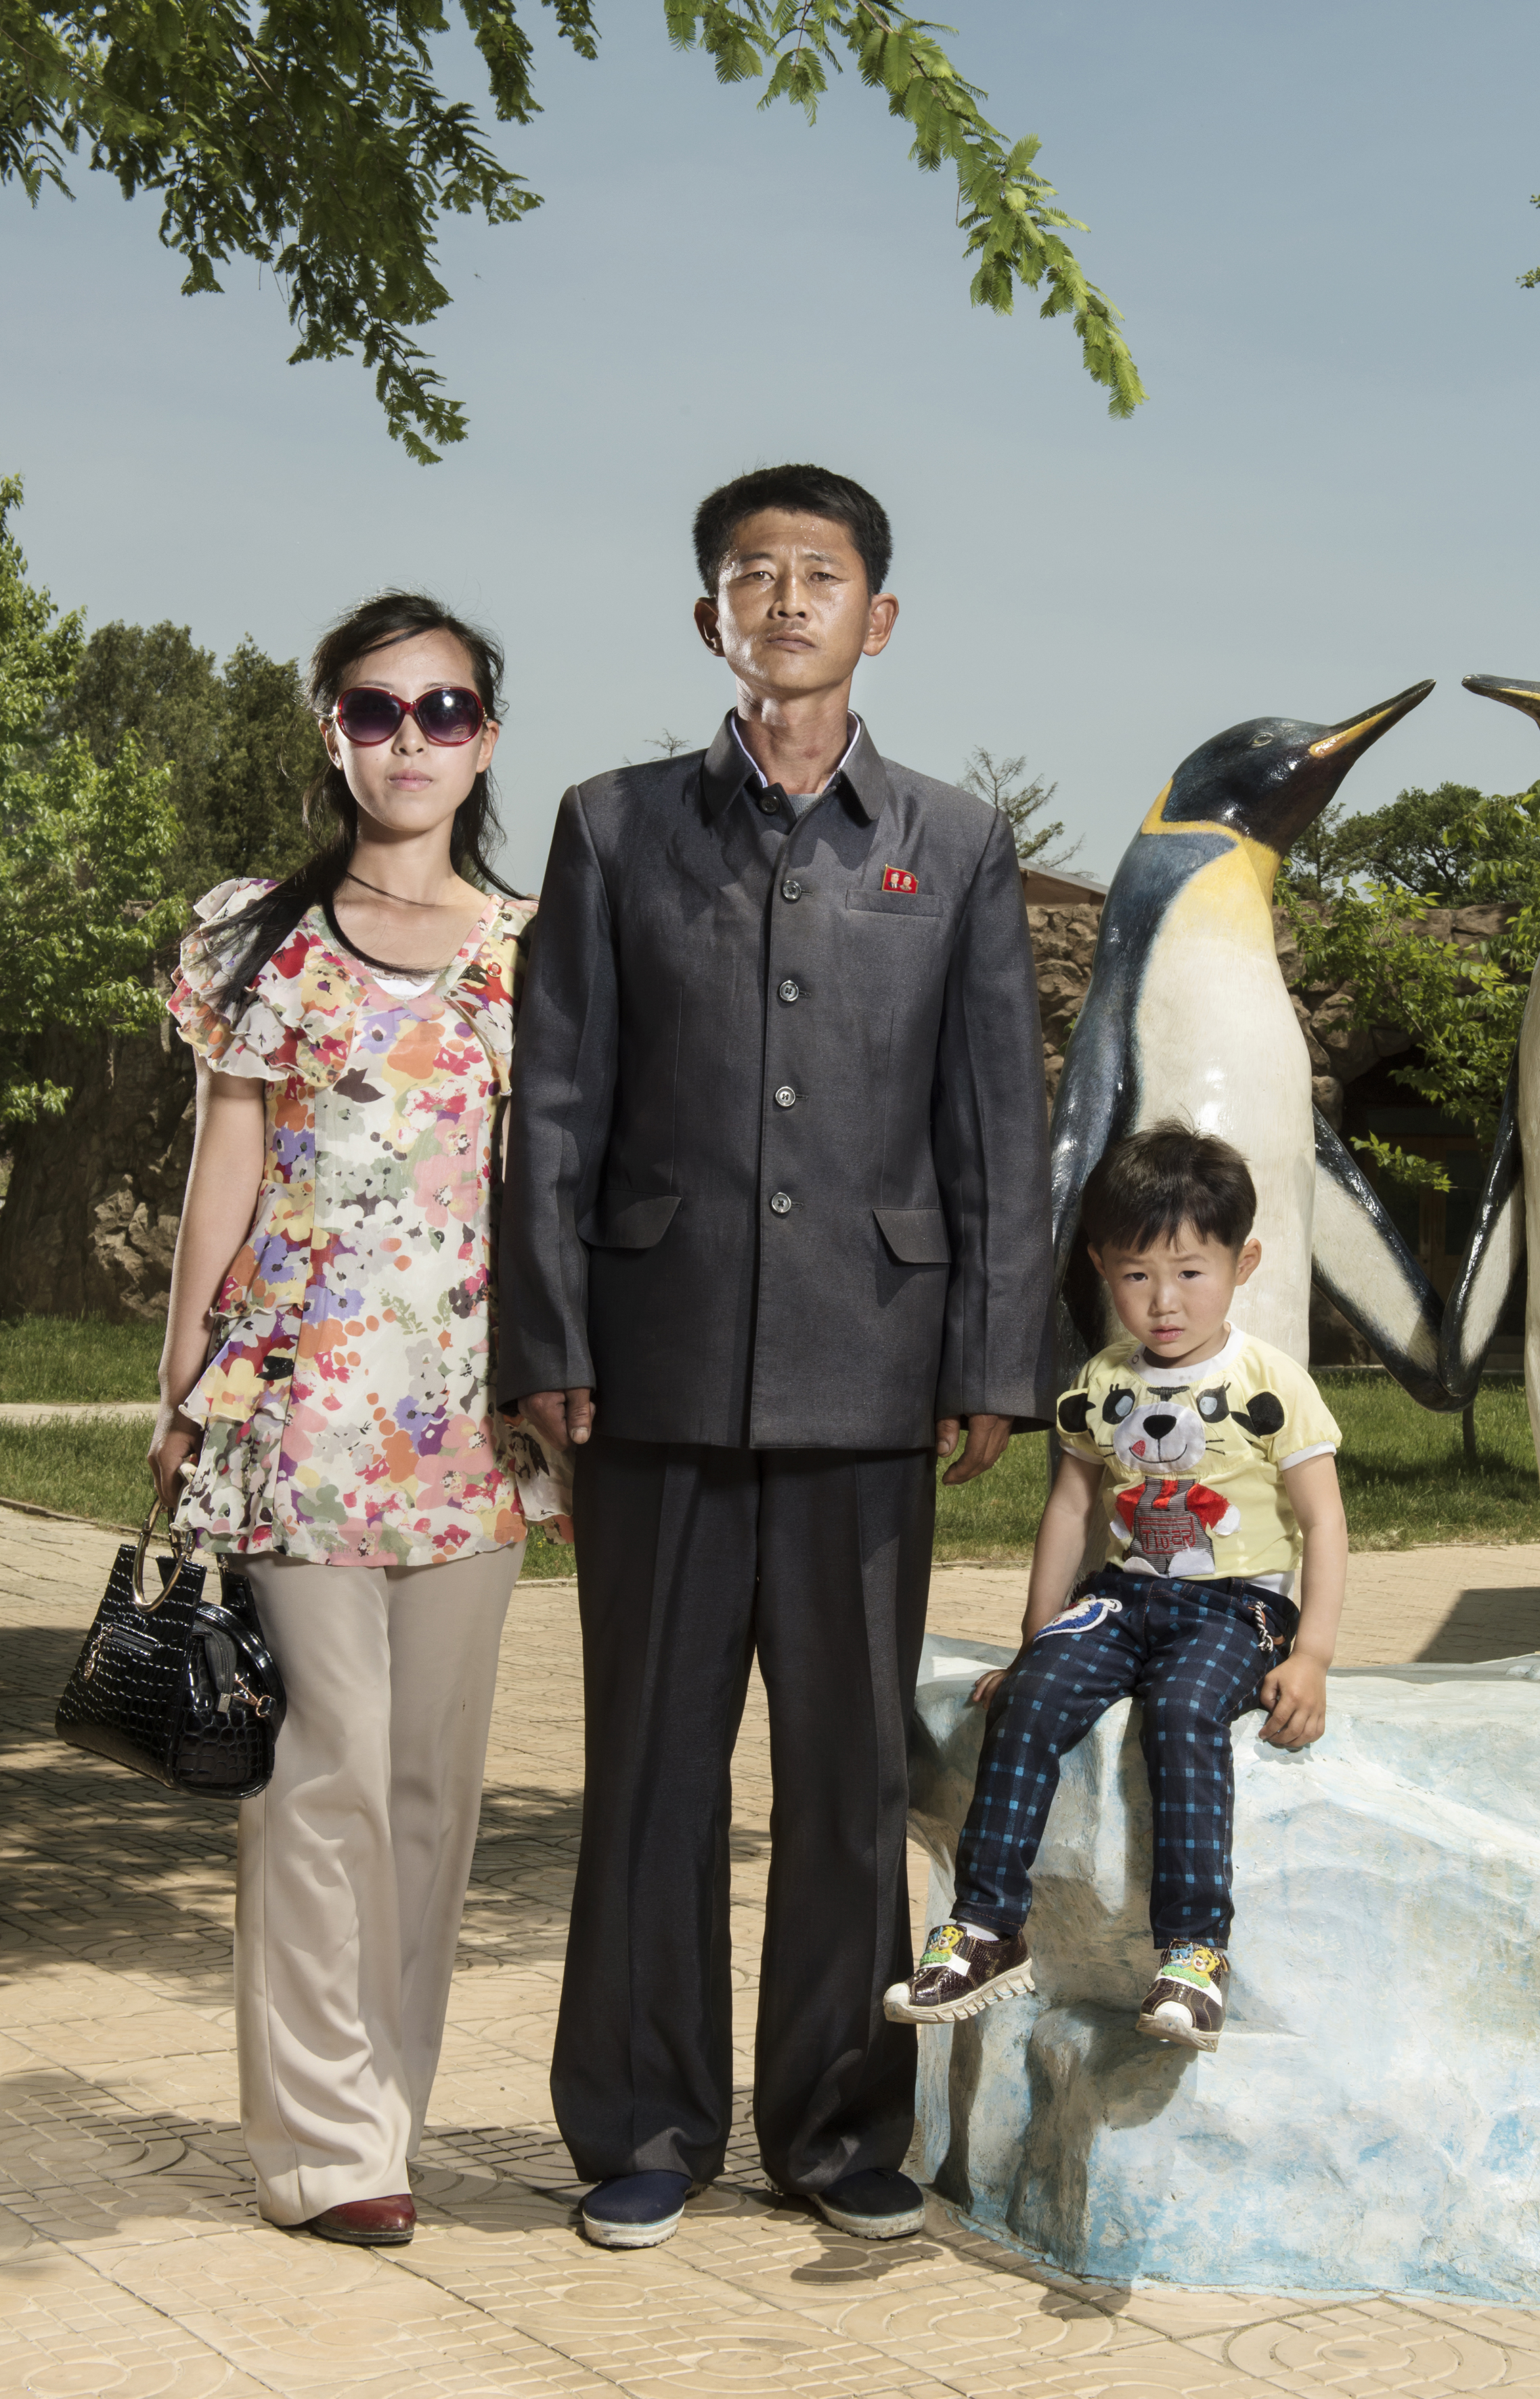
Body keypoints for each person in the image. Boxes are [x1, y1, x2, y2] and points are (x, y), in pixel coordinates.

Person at [499, 462, 1052, 2251]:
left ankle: (834, 2130)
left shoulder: (955, 846)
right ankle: (644, 2130)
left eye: (822, 574)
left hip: (874, 1379)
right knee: (650, 1770)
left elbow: (995, 1121)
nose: (789, 597)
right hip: (648, 1377)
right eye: (754, 573)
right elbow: (556, 1110)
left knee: (842, 1782)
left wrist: (990, 1355)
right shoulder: (611, 828)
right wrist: (550, 1339)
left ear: (876, 617)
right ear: (709, 619)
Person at [150, 592, 565, 2247]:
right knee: (321, 1767)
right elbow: (223, 1170)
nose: (412, 739)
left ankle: (389, 2104)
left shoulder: (540, 941)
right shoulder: (252, 930)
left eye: (445, 709)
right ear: (332, 730)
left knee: (430, 1786)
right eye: (377, 710)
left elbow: (555, 1181)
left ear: (486, 734)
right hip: (293, 1404)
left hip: (473, 1424)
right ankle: (326, 2144)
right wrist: (179, 1384)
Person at [886, 1121, 1348, 2052]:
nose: (1164, 1301)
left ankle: (1192, 1955)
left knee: (1181, 1715)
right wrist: (1033, 1640)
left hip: (1238, 1606)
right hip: (1123, 1596)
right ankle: (985, 1928)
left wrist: (1312, 1655)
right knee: (1036, 1696)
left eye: (1190, 1271)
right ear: (1101, 1266)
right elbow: (1069, 1509)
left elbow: (1324, 1521)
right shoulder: (1099, 1384)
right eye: (1138, 1275)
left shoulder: (1270, 1381)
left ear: (1242, 1261)